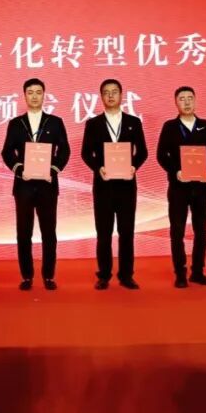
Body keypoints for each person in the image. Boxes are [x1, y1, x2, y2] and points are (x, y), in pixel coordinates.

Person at [1, 78, 71, 290]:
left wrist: (53, 169)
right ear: (24, 96)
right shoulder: (16, 123)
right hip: (23, 185)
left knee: (49, 232)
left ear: (44, 95)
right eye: (30, 92)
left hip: (48, 184)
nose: (34, 96)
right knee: (24, 232)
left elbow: (64, 150)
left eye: (38, 92)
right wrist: (19, 169)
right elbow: (7, 152)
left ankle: (48, 275)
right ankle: (27, 276)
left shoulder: (55, 122)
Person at [81, 78, 148, 290]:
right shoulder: (93, 124)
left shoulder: (133, 122)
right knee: (104, 233)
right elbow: (85, 153)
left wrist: (133, 167)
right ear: (101, 97)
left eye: (115, 92)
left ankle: (126, 275)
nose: (111, 96)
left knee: (126, 232)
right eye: (106, 92)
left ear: (121, 95)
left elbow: (143, 152)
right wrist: (98, 168)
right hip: (104, 185)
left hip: (127, 185)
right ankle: (104, 275)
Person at [155, 86, 206, 288]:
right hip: (178, 187)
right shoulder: (169, 127)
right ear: (176, 103)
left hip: (201, 187)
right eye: (182, 99)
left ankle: (198, 272)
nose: (186, 102)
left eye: (190, 98)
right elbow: (161, 154)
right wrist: (175, 171)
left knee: (201, 231)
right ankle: (180, 273)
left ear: (195, 100)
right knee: (177, 231)